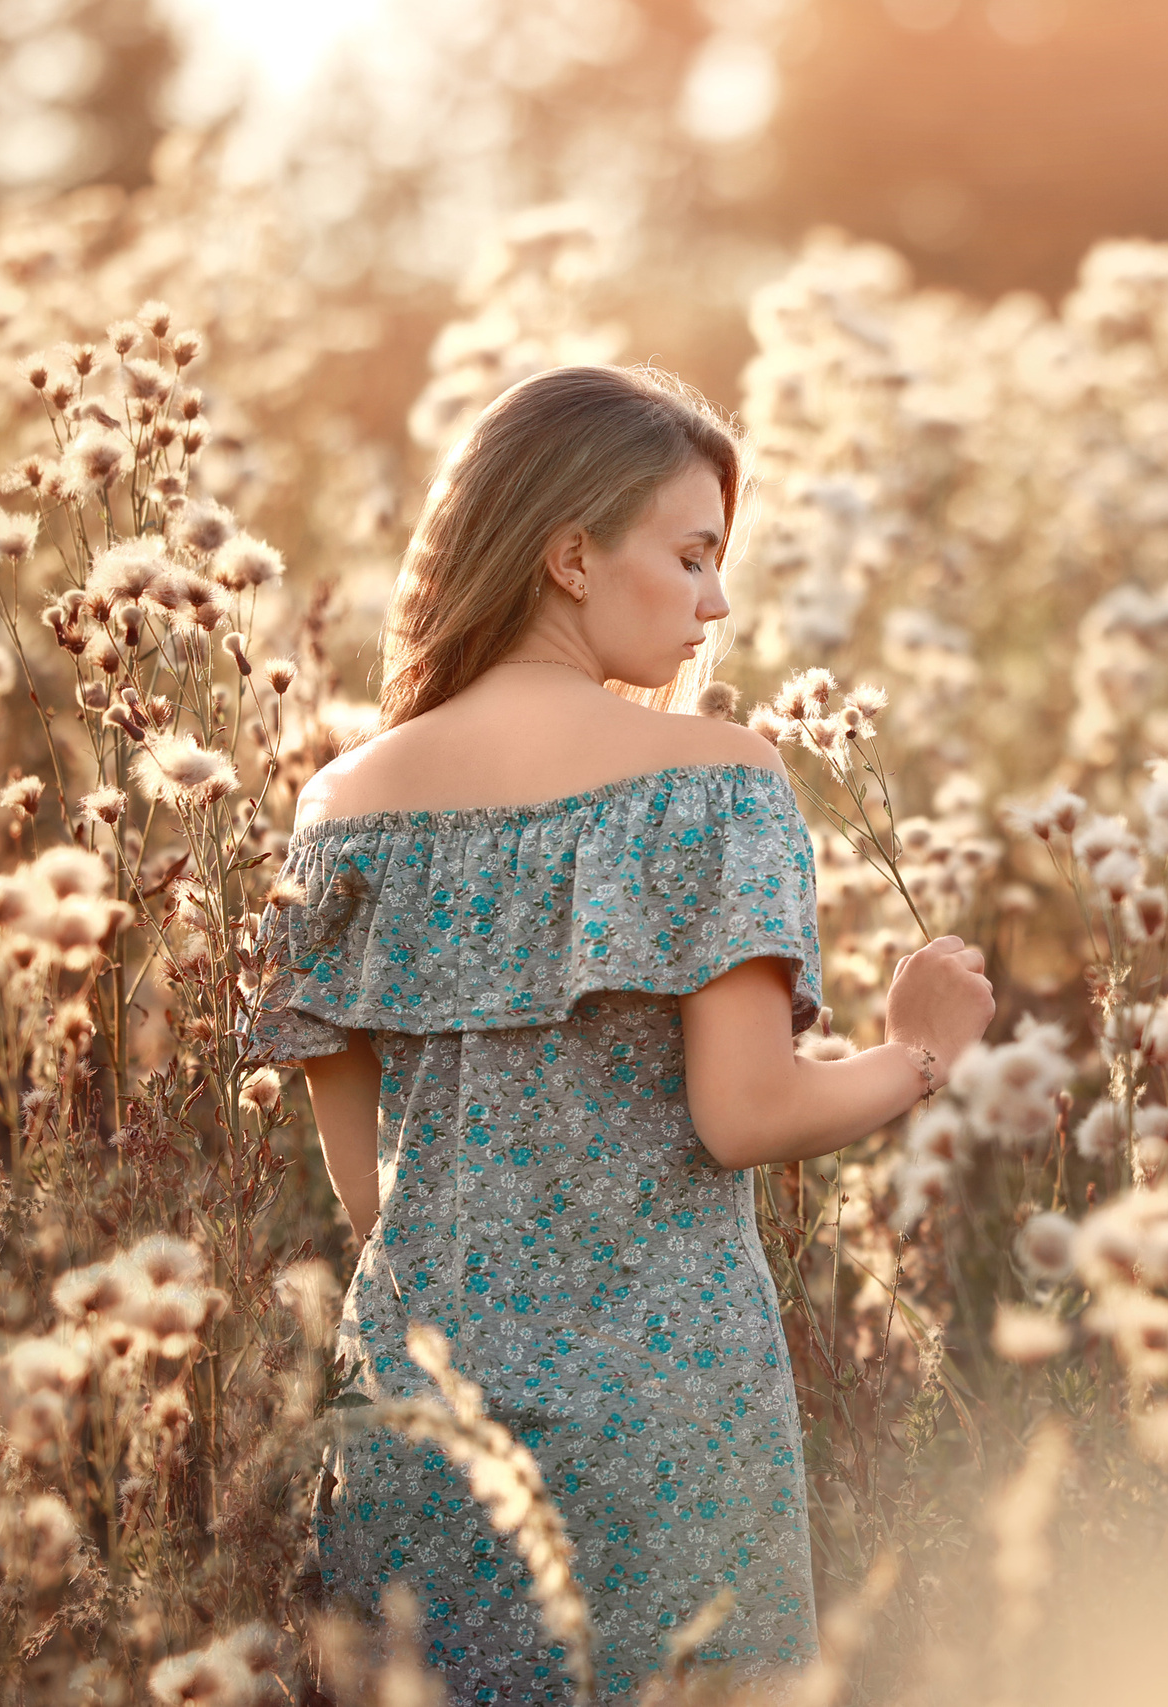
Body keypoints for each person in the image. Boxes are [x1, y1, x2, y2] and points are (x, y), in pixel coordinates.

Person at [245, 364, 996, 1702]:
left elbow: (374, 1197)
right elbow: (748, 1114)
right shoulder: (712, 783)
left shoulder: (341, 807)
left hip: (420, 1427)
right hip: (668, 1427)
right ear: (572, 556)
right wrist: (918, 1049)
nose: (717, 602)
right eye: (694, 555)